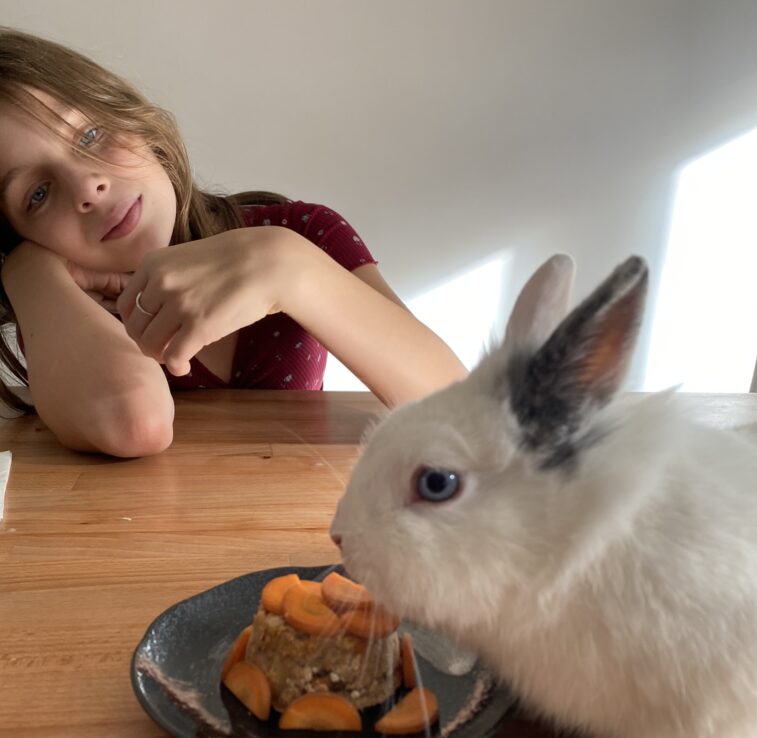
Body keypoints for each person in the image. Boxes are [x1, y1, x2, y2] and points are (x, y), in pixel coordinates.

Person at [0, 28, 467, 457]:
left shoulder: (304, 231)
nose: (87, 187)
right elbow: (133, 423)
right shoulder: (60, 305)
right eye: (37, 195)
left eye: (90, 134)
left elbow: (459, 413)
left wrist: (288, 266)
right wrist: (28, 273)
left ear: (132, 118)